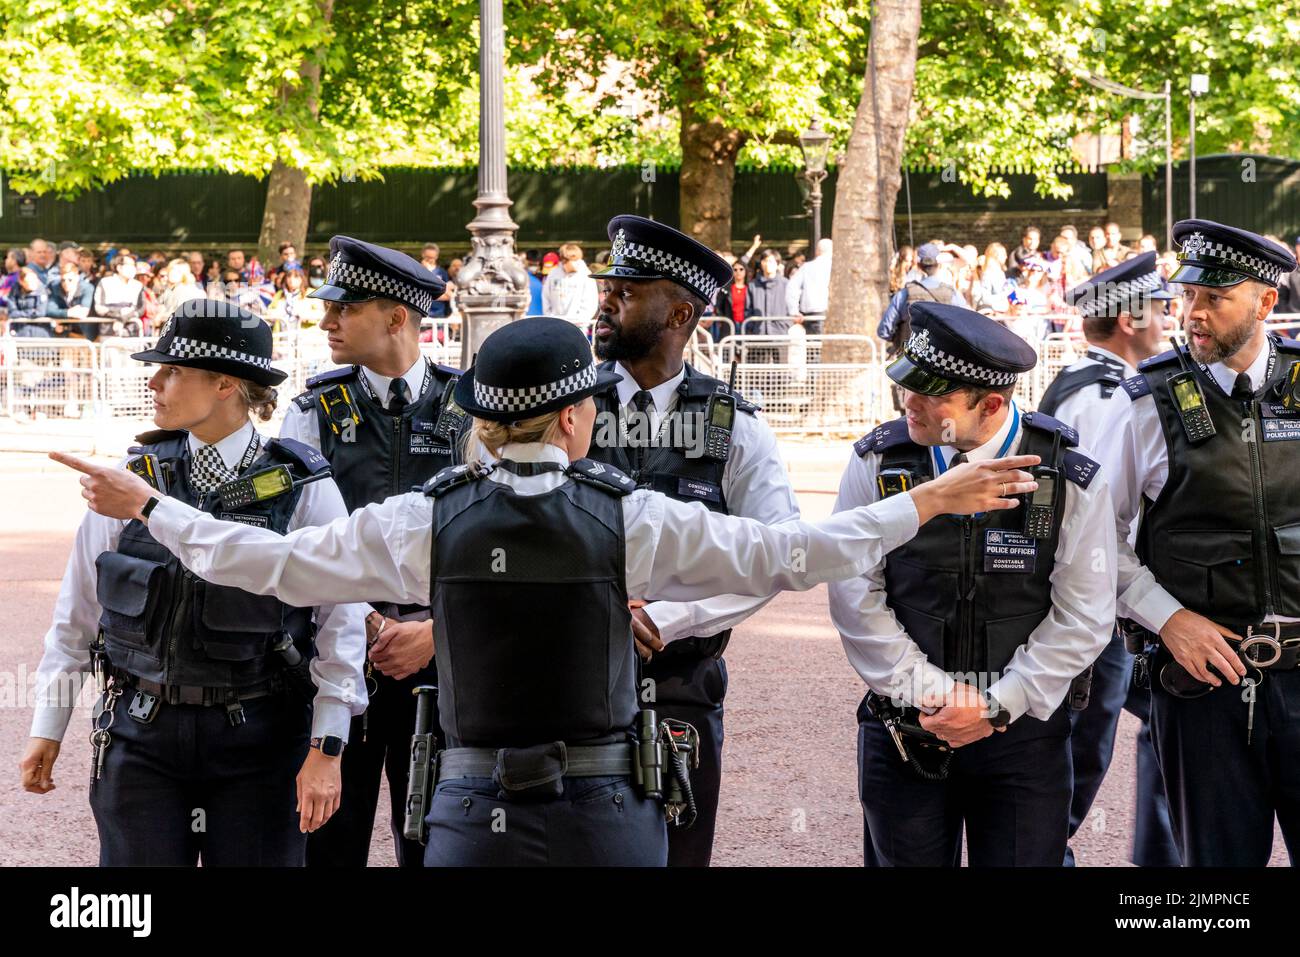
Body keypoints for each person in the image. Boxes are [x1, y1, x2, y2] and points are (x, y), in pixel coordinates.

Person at [54, 311, 1041, 866]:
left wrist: (150, 506)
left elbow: (257, 565)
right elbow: (792, 555)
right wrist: (934, 499)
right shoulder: (630, 522)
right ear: (576, 419)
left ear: (483, 421)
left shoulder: (424, 523)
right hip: (605, 809)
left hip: (469, 807)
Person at [19, 298, 368, 865]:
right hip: (140, 737)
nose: (154, 381)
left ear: (226, 384)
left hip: (261, 740)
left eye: (173, 369)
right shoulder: (129, 479)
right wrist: (48, 726)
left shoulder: (304, 487)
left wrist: (327, 747)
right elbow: (76, 619)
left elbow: (342, 627)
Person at [830, 300, 1117, 867]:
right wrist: (931, 691)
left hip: (1023, 736)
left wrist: (995, 705)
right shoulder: (878, 462)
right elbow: (853, 592)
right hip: (905, 725)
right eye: (907, 383)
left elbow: (1085, 612)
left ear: (991, 403)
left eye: (931, 393)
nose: (907, 400)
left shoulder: (1066, 474)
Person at [584, 214, 798, 866]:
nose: (606, 299)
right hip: (572, 688)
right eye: (607, 286)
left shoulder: (734, 425)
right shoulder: (569, 409)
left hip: (682, 689)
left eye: (627, 289)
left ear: (679, 313)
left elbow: (780, 550)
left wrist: (672, 618)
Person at [1093, 219, 1300, 866]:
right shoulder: (1148, 402)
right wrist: (1169, 617)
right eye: (1187, 297)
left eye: (1215, 298)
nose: (1193, 314)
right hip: (1201, 689)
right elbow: (1092, 540)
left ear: (1267, 302)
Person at [282, 236, 464, 867]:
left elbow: (498, 541)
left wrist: (435, 631)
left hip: (446, 667)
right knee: (328, 847)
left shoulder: (470, 410)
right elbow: (296, 543)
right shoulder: (311, 412)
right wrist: (369, 620)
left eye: (345, 307)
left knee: (437, 845)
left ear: (395, 317)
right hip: (340, 661)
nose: (327, 321)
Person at [1044, 252, 1180, 867]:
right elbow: (1101, 519)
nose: (1168, 319)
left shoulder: (1086, 383)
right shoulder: (1109, 397)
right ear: (1128, 320)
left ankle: (1163, 864)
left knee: (1169, 716)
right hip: (1093, 612)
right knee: (1073, 766)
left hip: (1098, 607)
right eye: (1159, 308)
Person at [784, 237, 832, 334]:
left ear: (817, 251)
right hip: (831, 312)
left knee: (814, 346)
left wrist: (794, 311)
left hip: (812, 315)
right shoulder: (836, 267)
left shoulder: (807, 267)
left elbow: (792, 288)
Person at [542, 243, 598, 322]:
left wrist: (579, 320)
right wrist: (550, 317)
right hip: (555, 323)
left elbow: (591, 303)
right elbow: (546, 297)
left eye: (575, 259)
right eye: (566, 260)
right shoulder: (553, 274)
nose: (573, 263)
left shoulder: (586, 275)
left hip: (578, 325)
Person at [93, 254, 146, 336]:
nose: (133, 268)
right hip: (109, 331)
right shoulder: (105, 282)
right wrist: (118, 314)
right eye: (130, 265)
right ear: (119, 267)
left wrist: (125, 317)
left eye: (134, 265)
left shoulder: (138, 285)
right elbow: (99, 307)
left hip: (132, 331)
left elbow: (141, 308)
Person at [45, 260, 97, 340]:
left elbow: (82, 312)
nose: (66, 283)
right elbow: (49, 310)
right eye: (63, 280)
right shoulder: (55, 286)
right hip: (67, 333)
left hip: (87, 333)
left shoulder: (87, 288)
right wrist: (68, 312)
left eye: (70, 280)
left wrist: (60, 314)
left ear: (77, 278)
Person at [2, 265, 52, 336]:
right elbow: (12, 313)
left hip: (40, 331)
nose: (34, 283)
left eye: (35, 279)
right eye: (30, 281)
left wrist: (20, 313)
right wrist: (31, 312)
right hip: (20, 331)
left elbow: (40, 312)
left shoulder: (42, 291)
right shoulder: (15, 291)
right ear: (21, 282)